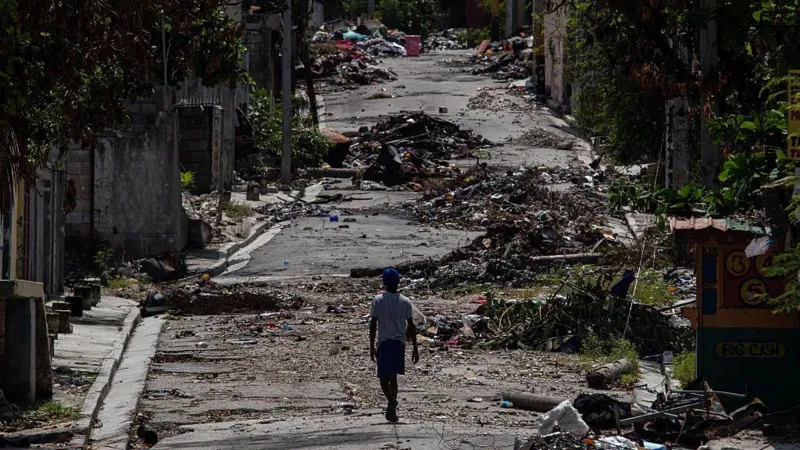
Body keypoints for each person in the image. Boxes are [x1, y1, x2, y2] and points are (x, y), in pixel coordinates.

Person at [369, 268, 419, 422]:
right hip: (399, 343)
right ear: (398, 282)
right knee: (393, 377)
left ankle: (390, 400)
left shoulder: (378, 300)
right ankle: (392, 407)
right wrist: (415, 347)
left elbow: (373, 324)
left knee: (383, 377)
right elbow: (411, 326)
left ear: (384, 282)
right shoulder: (405, 301)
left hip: (384, 342)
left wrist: (371, 345)